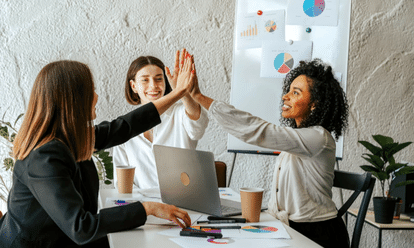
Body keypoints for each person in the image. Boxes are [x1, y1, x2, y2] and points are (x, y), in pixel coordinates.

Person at [0, 58, 195, 248]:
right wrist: (147, 208)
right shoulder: (44, 157)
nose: (96, 97)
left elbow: (125, 126)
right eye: (91, 91)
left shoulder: (70, 138)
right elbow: (82, 227)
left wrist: (178, 93)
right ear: (73, 100)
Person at [190, 59, 350, 248]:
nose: (285, 97)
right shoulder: (299, 139)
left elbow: (260, 131)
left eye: (295, 92)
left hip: (319, 235)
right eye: (288, 90)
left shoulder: (318, 138)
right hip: (292, 228)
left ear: (314, 104)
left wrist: (198, 96)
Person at [113, 49, 208, 189]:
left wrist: (182, 92)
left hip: (183, 202)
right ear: (133, 86)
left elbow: (198, 126)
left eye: (159, 79)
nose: (153, 86)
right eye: (145, 80)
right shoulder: (124, 127)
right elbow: (122, 183)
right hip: (144, 206)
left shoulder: (180, 113)